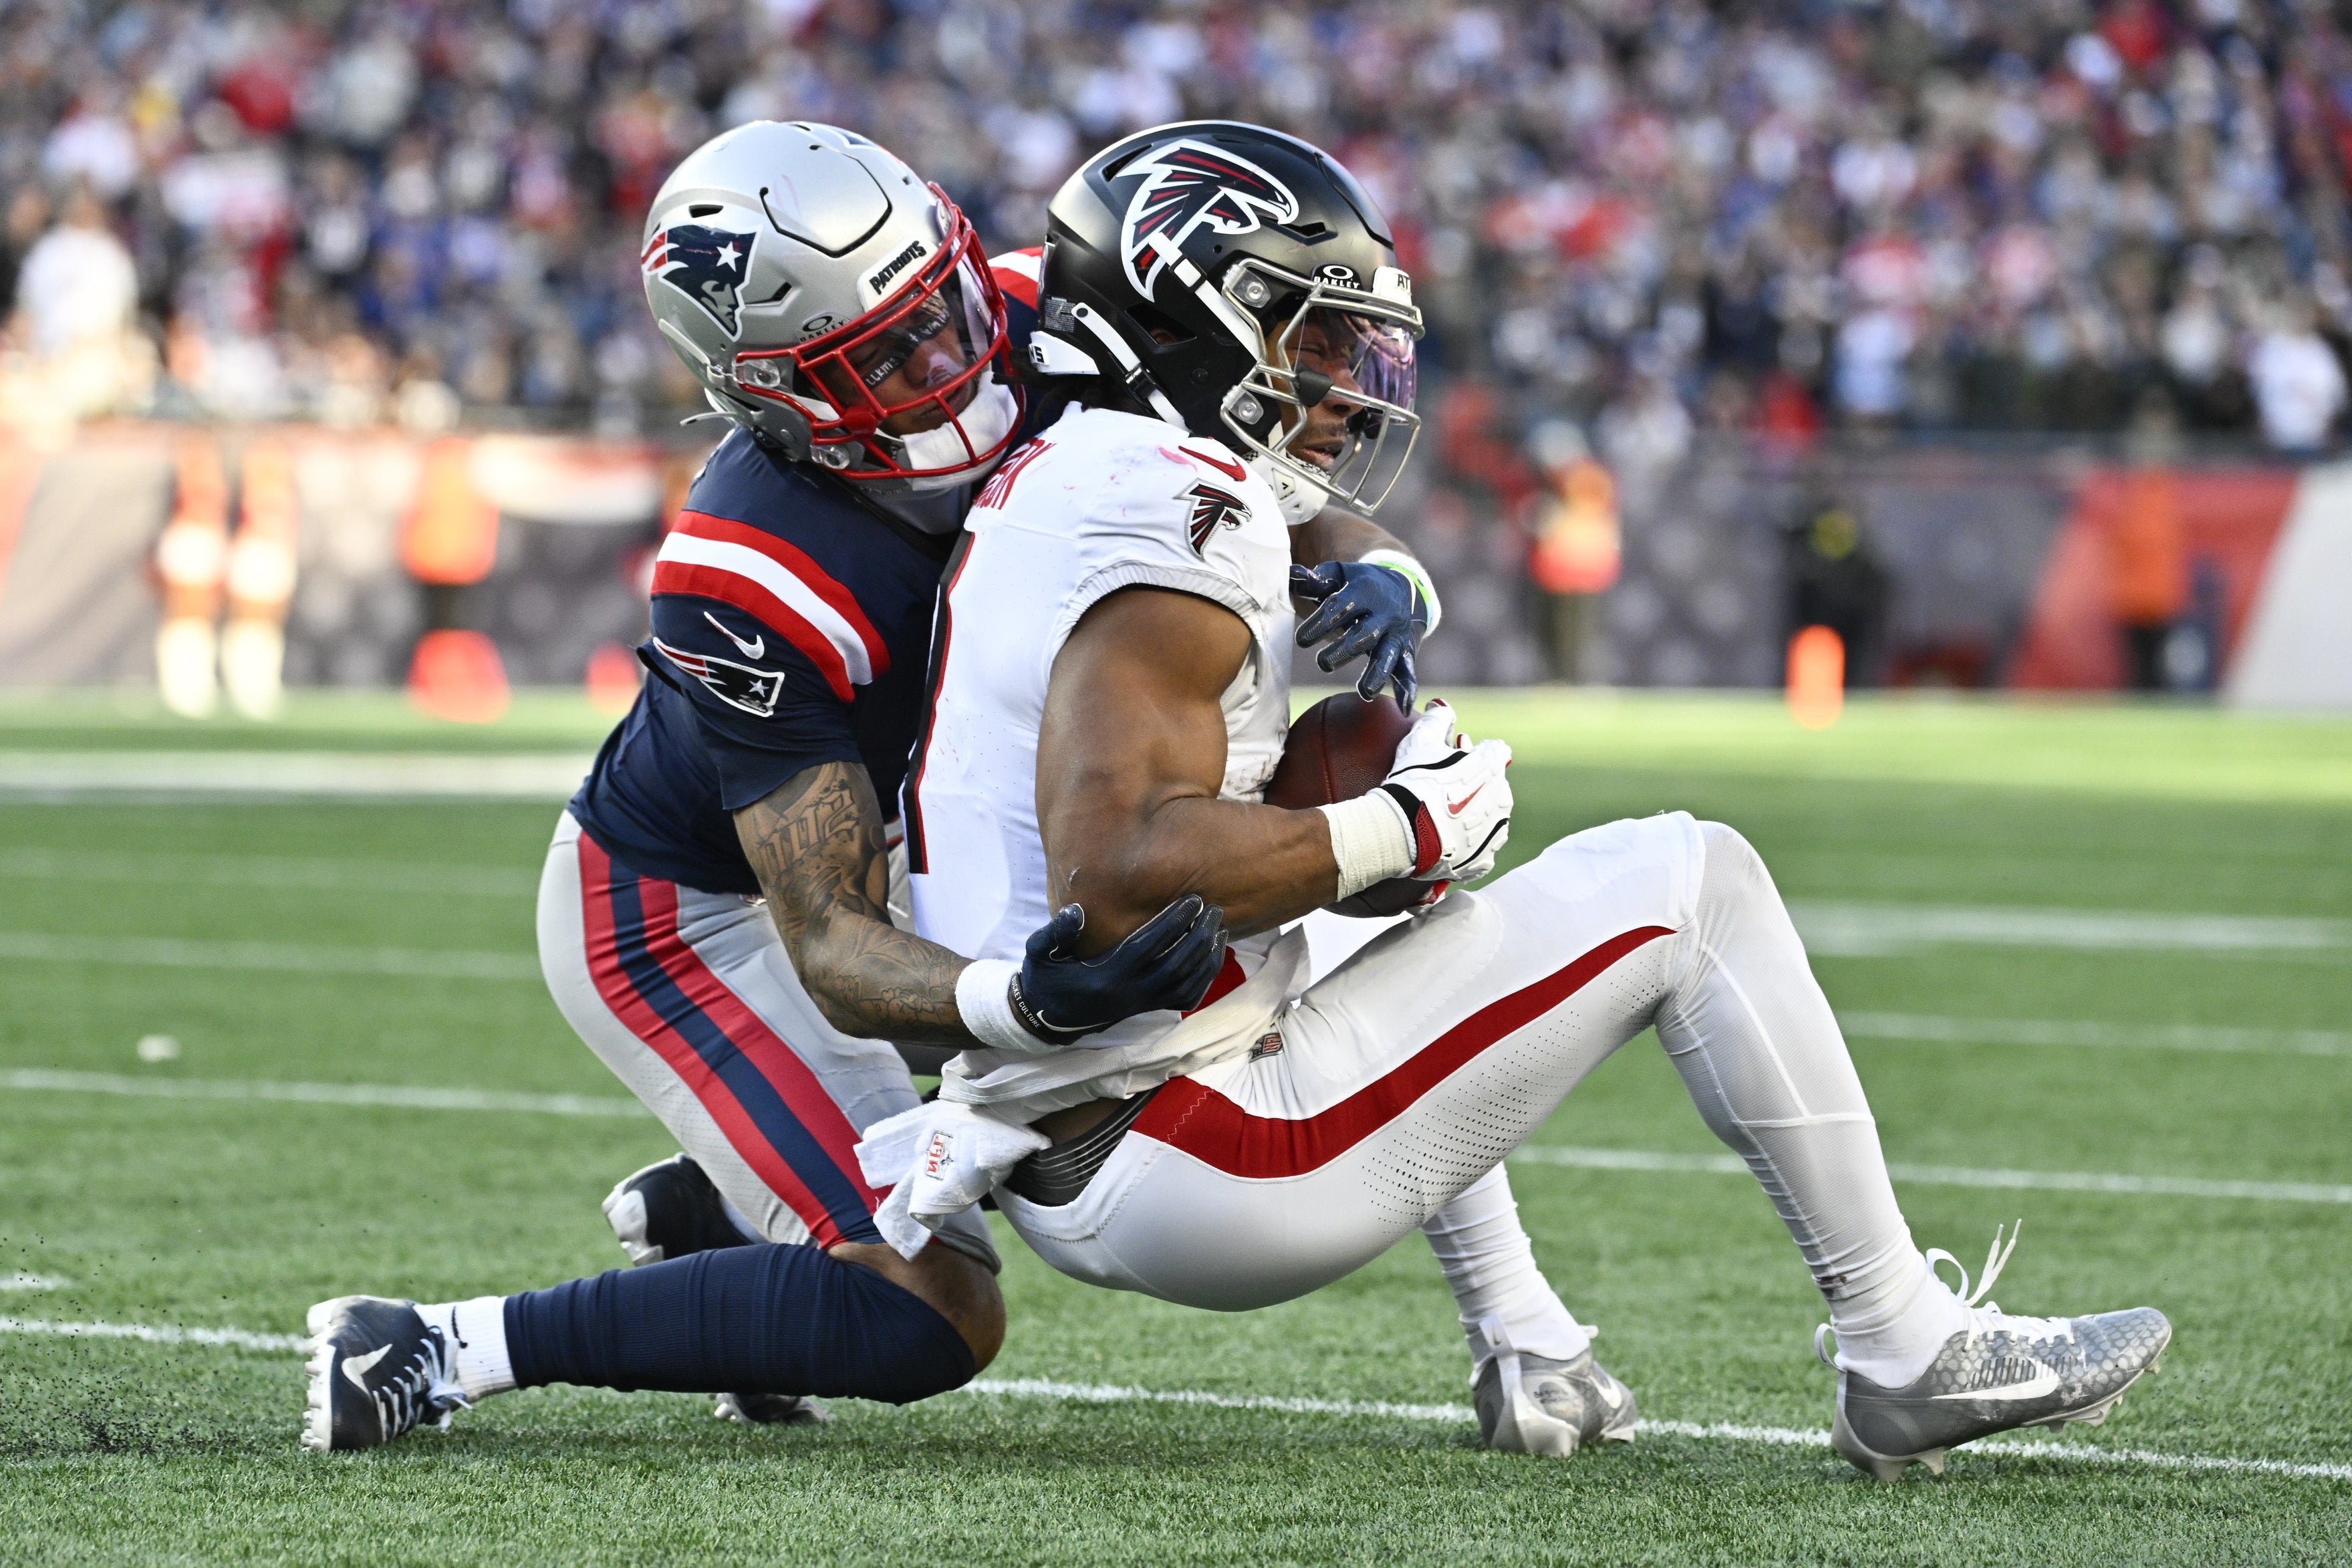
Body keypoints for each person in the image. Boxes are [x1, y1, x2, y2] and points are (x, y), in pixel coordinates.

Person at [874, 120, 2173, 1481]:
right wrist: (1395, 826)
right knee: (1695, 881)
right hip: (1187, 1149)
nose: (1340, 380)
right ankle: (1902, 1346)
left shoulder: (1083, 470)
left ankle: (1529, 1343)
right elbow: (1122, 872)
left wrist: (1376, 852)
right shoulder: (1166, 501)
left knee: (1408, 931)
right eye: (1307, 337)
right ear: (1190, 320)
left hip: (1076, 1124)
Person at [297, 120, 1476, 1452]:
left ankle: (737, 1217)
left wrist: (1378, 556)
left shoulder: (1046, 315)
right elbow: (829, 942)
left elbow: (1254, 466)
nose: (950, 361)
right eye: (884, 357)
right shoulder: (751, 566)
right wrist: (1008, 997)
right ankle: (435, 1346)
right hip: (703, 920)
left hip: (921, 838)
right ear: (770, 397)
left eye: (948, 308)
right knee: (928, 1313)